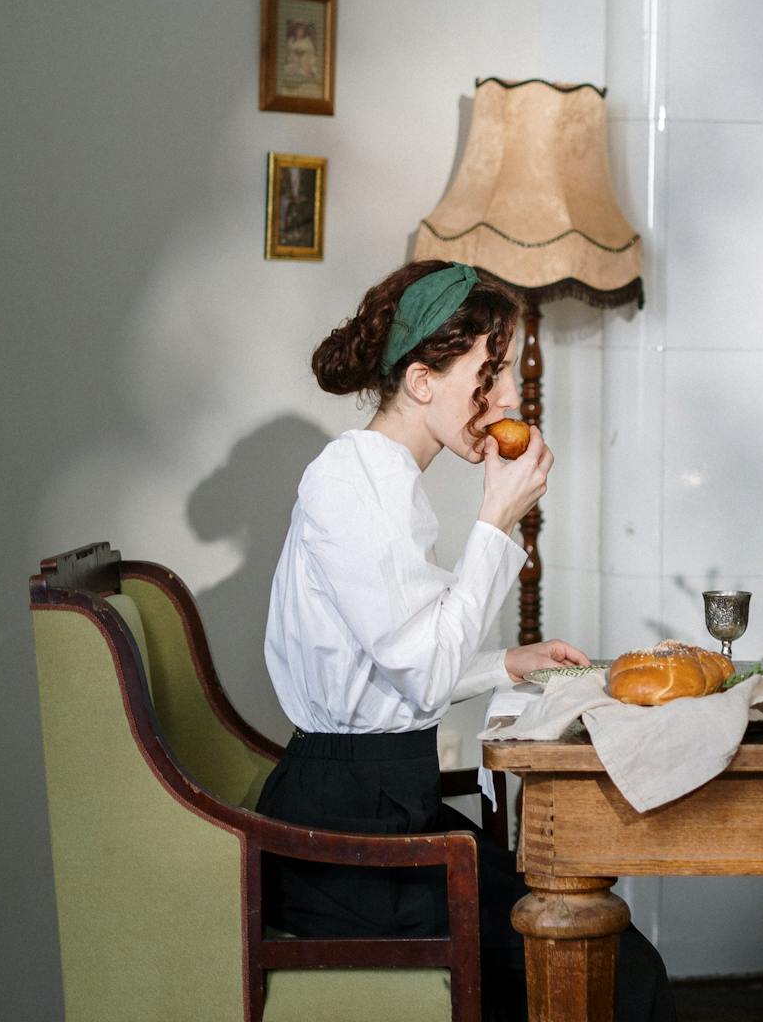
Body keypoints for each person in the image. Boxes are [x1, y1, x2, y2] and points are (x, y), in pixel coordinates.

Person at [257, 259, 675, 1022]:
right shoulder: (350, 480)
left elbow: (394, 663)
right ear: (422, 381)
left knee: (606, 951)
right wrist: (495, 522)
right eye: (493, 371)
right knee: (608, 967)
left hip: (387, 807)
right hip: (347, 842)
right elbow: (417, 677)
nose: (511, 397)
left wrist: (504, 664)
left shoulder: (381, 480)